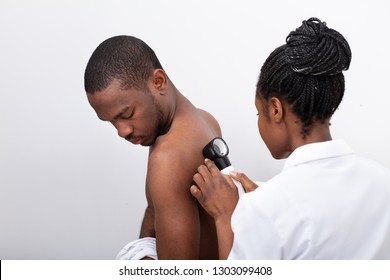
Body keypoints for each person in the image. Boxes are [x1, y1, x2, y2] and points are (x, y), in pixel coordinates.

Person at [191, 18, 390, 259]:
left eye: (258, 112)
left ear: (275, 110)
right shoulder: (383, 180)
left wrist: (225, 216)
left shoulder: (264, 210)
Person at [84, 35, 221, 259]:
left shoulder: (168, 157)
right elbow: (154, 210)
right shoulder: (205, 120)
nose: (122, 131)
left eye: (126, 114)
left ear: (158, 82)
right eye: (111, 122)